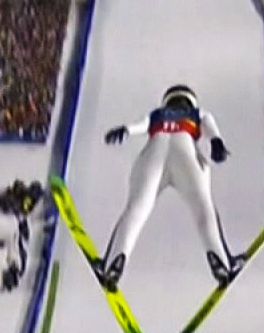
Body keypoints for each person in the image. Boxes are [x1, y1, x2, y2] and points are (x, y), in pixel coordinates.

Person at [98, 84, 244, 292]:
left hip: (154, 151)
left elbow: (141, 124)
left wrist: (126, 130)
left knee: (136, 209)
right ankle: (222, 262)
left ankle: (113, 263)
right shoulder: (196, 113)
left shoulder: (158, 114)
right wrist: (216, 142)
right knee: (203, 207)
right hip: (185, 150)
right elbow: (208, 124)